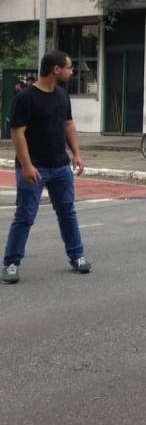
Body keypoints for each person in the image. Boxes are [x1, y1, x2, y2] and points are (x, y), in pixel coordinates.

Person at [2, 50, 91, 285]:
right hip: (34, 169)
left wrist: (77, 154)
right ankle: (11, 263)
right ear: (56, 70)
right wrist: (27, 166)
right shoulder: (26, 98)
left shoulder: (63, 95)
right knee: (25, 216)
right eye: (70, 68)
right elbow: (17, 133)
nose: (72, 72)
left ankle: (77, 256)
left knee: (67, 213)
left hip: (60, 167)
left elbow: (68, 125)